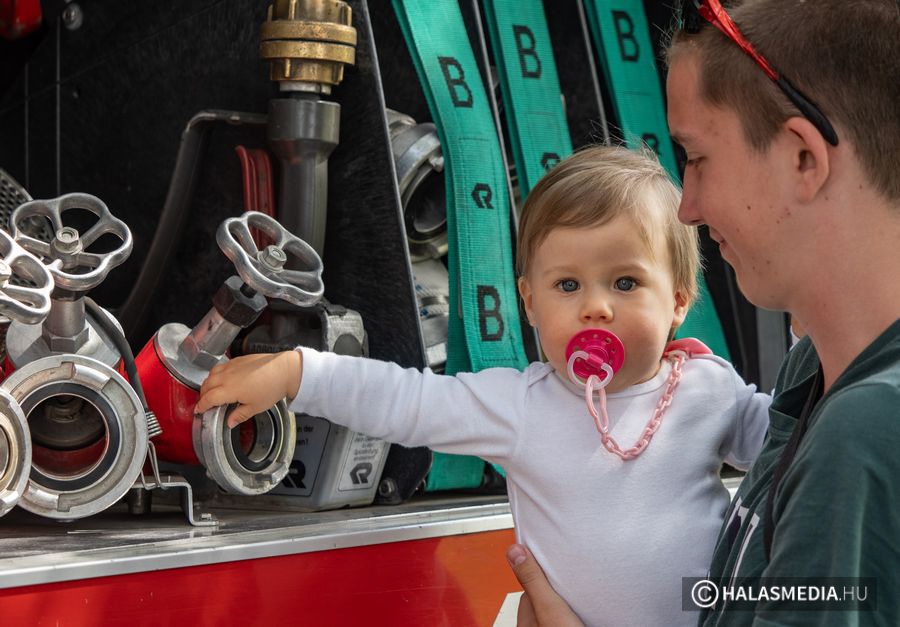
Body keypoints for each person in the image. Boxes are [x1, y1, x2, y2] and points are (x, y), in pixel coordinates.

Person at [196, 145, 770, 625]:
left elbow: (796, 446)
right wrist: (299, 372)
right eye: (567, 285)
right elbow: (410, 401)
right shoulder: (521, 405)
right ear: (530, 304)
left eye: (625, 282)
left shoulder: (709, 390)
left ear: (678, 300)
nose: (595, 307)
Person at [506, 0, 900, 625]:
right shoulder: (812, 372)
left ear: (803, 156)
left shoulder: (865, 431)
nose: (686, 207)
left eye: (695, 157)